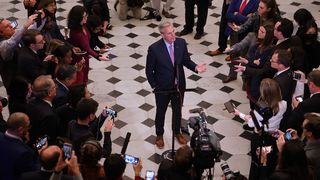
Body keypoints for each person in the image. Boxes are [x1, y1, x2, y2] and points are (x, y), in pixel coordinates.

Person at [145, 22, 206, 149]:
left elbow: (185, 60)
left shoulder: (181, 43)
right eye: (169, 33)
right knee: (160, 112)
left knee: (177, 111)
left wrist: (195, 67)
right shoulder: (154, 49)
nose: (173, 35)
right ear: (162, 35)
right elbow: (149, 71)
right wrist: (154, 86)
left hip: (178, 86)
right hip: (162, 88)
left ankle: (177, 132)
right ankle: (159, 135)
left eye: (173, 31)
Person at [233, 78, 286, 179]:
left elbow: (252, 123)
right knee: (268, 160)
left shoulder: (261, 110)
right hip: (273, 137)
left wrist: (239, 114)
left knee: (257, 162)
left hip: (259, 138)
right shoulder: (284, 104)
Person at [67, 5, 109, 85]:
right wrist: (98, 56)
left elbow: (92, 39)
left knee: (85, 73)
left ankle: (84, 89)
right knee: (80, 75)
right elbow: (86, 48)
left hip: (85, 56)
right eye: (84, 17)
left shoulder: (84, 26)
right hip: (79, 58)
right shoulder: (76, 33)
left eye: (86, 16)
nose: (86, 19)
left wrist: (100, 47)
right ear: (77, 18)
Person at [0, 14, 43, 90]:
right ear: (1, 33)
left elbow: (29, 30)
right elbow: (12, 42)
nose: (11, 26)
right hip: (15, 85)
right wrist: (25, 27)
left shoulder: (14, 34)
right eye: (7, 26)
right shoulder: (3, 46)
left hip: (27, 77)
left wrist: (41, 18)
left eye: (11, 24)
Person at [0, 112, 39, 180]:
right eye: (28, 126)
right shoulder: (24, 153)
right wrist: (41, 154)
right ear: (20, 129)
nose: (29, 129)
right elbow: (34, 173)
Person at [27, 75, 60, 145]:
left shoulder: (31, 101)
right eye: (54, 87)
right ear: (49, 93)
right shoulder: (49, 116)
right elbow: (50, 138)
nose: (56, 87)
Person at [288, 70, 320, 135]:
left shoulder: (305, 104)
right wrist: (305, 81)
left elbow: (291, 122)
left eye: (308, 83)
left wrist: (297, 107)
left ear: (311, 84)